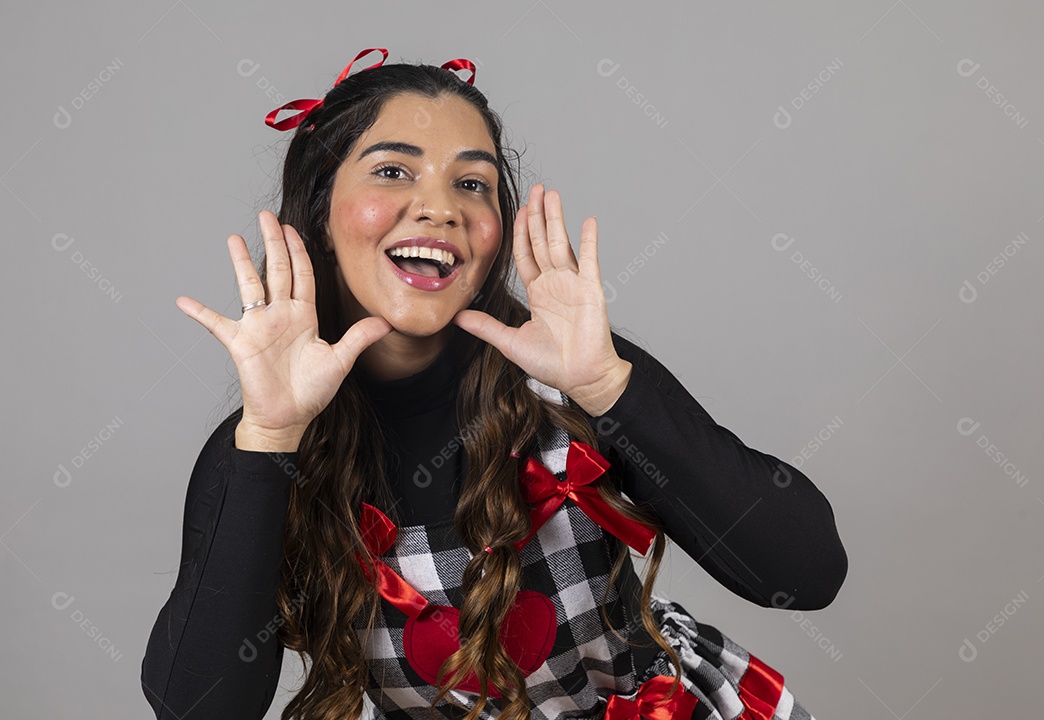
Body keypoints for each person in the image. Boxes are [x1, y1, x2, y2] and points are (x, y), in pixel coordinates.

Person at [141, 48, 847, 720]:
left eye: (471, 183)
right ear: (321, 212)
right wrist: (268, 441)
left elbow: (806, 573)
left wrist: (606, 385)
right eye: (393, 172)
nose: (440, 207)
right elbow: (198, 708)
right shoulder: (267, 442)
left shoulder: (567, 370)